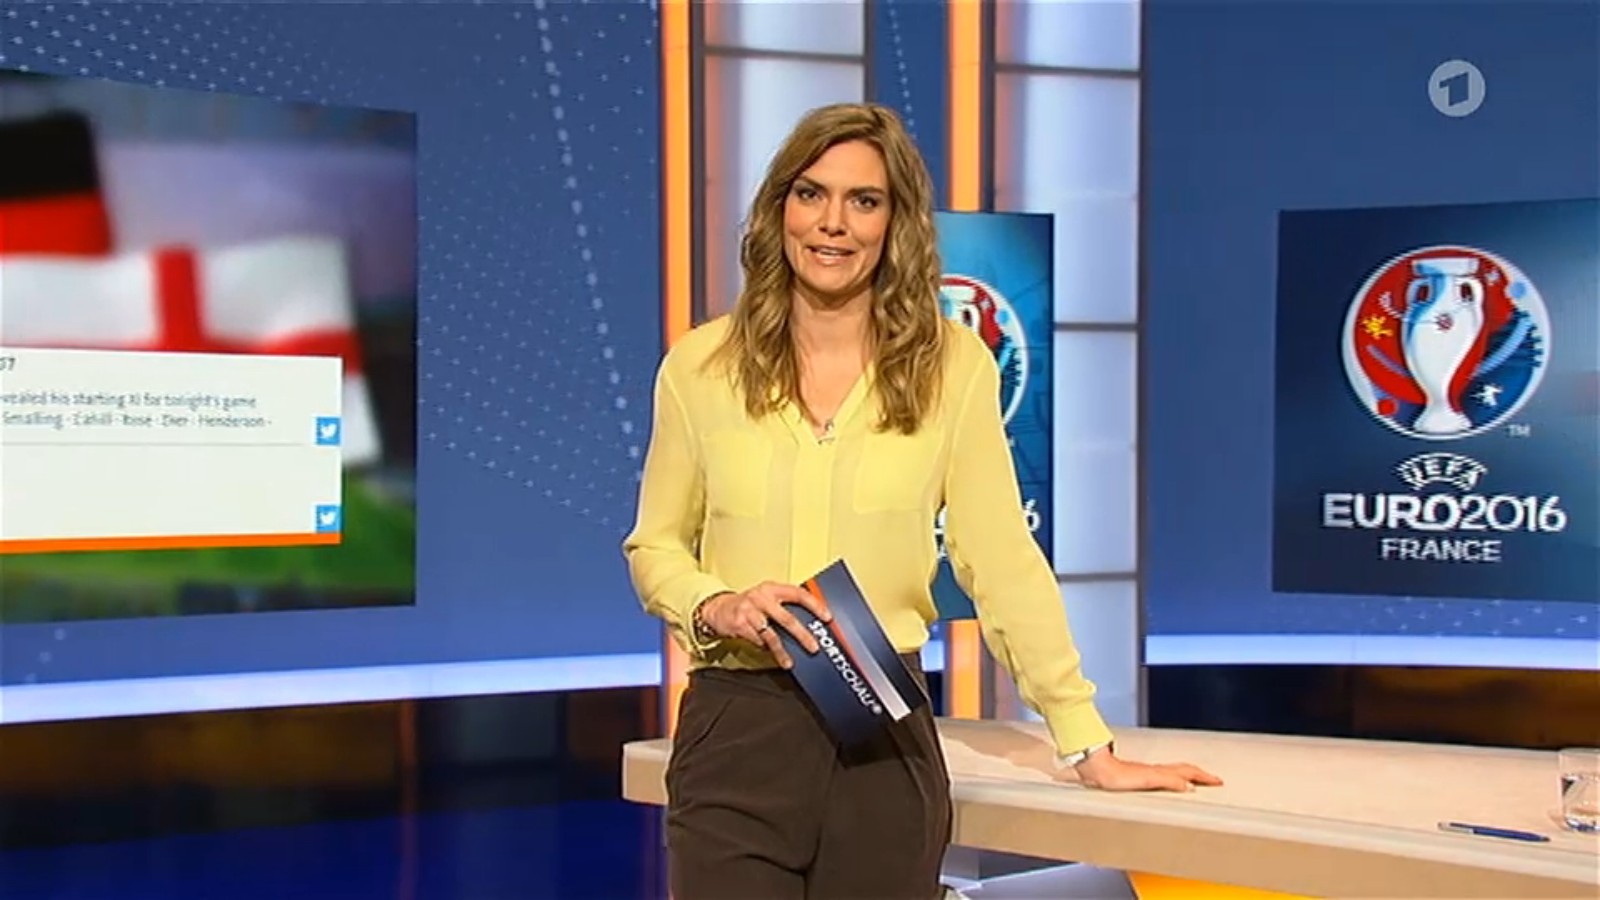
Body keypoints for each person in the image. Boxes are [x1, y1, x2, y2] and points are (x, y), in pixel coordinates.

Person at [623, 102, 1221, 900]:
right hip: (739, 724)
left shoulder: (953, 367)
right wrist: (716, 605)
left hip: (881, 730)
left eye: (864, 201)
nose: (833, 223)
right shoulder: (700, 367)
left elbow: (1001, 560)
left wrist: (1086, 741)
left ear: (895, 222)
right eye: (811, 193)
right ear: (778, 209)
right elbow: (655, 547)